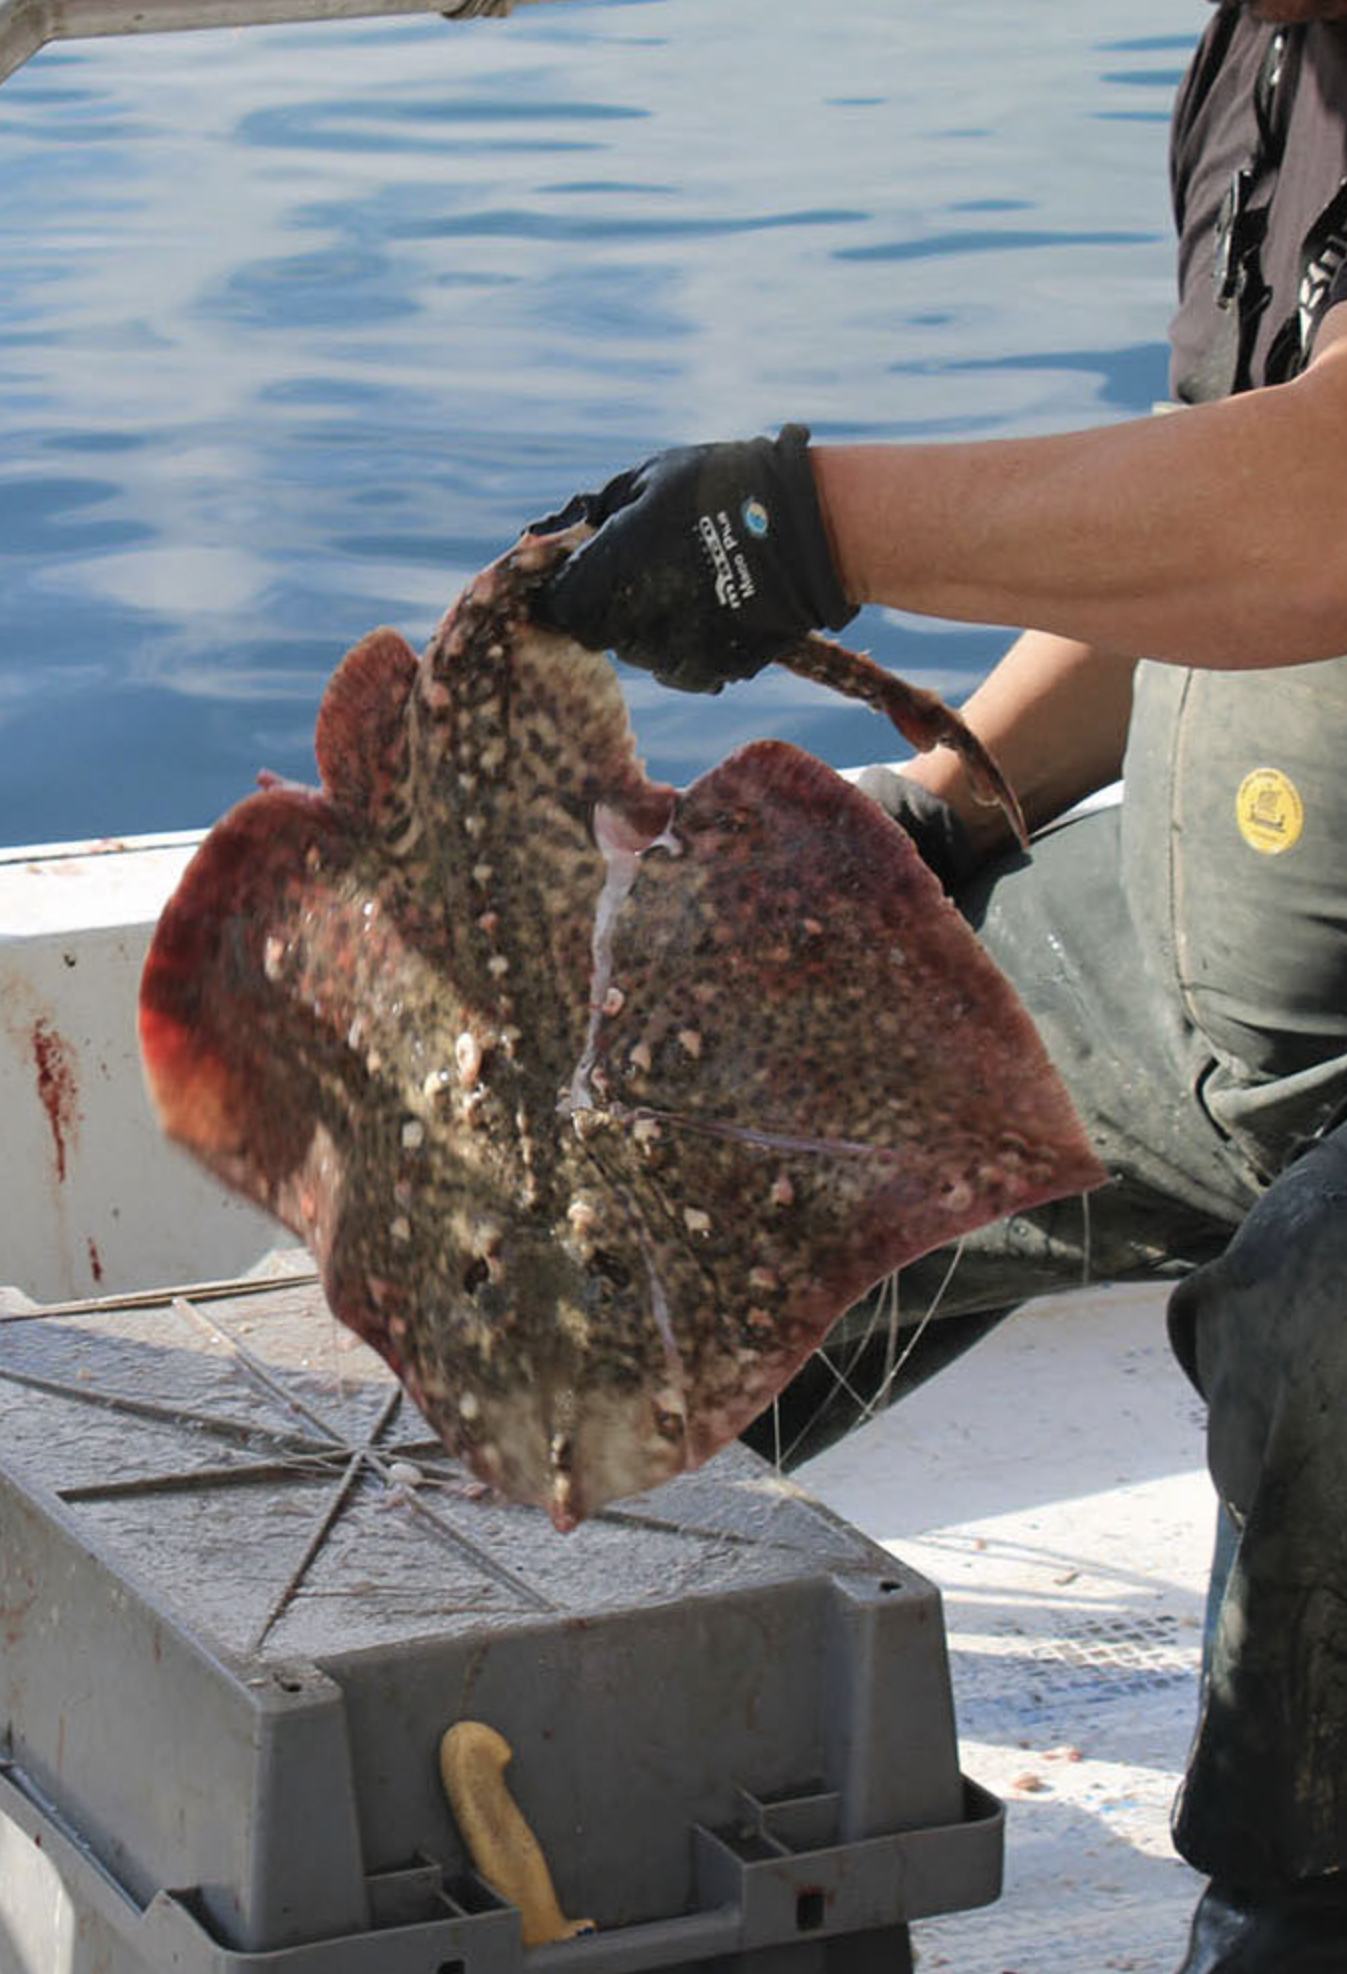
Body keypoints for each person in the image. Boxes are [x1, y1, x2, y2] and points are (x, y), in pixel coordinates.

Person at [528, 7, 1347, 1971]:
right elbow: (1198, 512)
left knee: (1326, 1305)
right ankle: (483, 1644)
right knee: (733, 1061)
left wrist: (805, 525)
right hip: (1198, 967)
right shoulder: (1278, 62)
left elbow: (1320, 507)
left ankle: (1298, 1903)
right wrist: (950, 804)